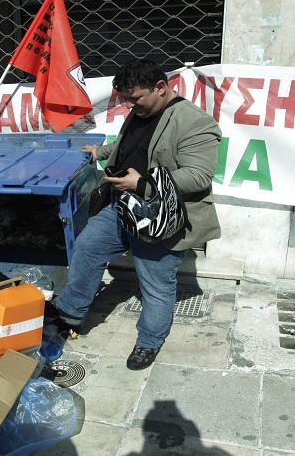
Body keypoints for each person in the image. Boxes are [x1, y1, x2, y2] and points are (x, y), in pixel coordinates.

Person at [51, 58, 222, 370]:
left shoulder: (195, 122)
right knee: (87, 248)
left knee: (155, 284)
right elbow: (129, 146)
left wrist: (142, 182)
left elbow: (199, 176)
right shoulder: (142, 110)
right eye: (126, 99)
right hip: (121, 205)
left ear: (160, 87)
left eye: (136, 98)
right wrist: (100, 153)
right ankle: (68, 315)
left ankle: (149, 341)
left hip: (160, 218)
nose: (130, 105)